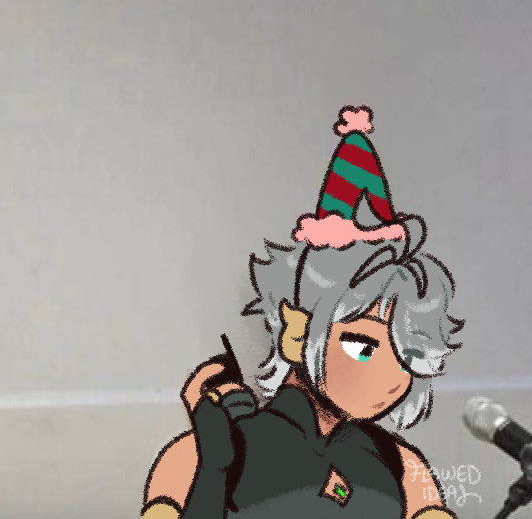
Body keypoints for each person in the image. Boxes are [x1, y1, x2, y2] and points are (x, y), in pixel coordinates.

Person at [142, 106, 464, 517]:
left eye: (406, 358)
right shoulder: (195, 455)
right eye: (363, 346)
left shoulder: (404, 469)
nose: (390, 379)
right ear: (296, 328)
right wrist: (214, 465)